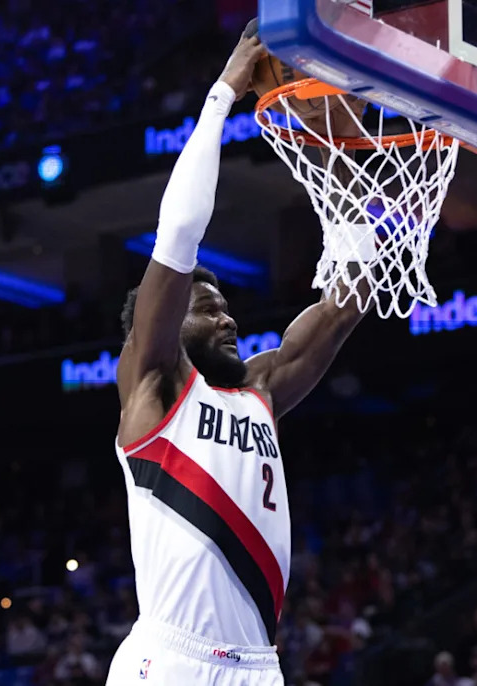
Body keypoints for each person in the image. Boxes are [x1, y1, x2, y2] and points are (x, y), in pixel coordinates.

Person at [107, 20, 371, 686]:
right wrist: (223, 94)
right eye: (207, 307)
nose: (227, 316)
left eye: (225, 304)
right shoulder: (151, 388)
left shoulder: (263, 389)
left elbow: (349, 300)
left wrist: (336, 151)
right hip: (170, 661)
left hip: (257, 666)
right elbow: (179, 232)